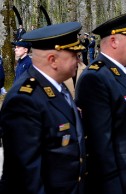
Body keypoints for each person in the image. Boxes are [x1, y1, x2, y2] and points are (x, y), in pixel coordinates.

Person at [0, 22, 86, 194]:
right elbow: (26, 176)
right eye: (74, 54)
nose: (78, 59)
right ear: (53, 60)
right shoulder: (25, 100)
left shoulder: (58, 87)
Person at [75, 12, 126, 194]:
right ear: (113, 41)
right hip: (119, 181)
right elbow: (99, 144)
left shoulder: (123, 72)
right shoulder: (96, 77)